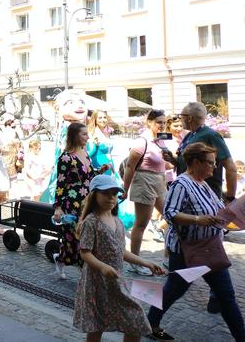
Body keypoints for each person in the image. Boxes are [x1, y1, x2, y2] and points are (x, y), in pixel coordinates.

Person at [147, 143, 245, 342]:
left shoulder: (204, 184)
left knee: (226, 295)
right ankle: (150, 322)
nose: (214, 167)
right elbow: (170, 213)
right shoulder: (181, 184)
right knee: (175, 289)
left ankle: (242, 339)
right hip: (186, 251)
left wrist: (240, 216)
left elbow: (218, 211)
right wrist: (197, 220)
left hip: (210, 249)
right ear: (195, 162)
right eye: (210, 163)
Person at [162, 102, 239, 313]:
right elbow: (186, 166)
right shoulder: (190, 136)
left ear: (191, 117)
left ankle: (219, 296)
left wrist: (230, 198)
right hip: (189, 195)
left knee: (206, 256)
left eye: (182, 116)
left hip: (206, 196)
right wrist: (174, 159)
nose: (180, 119)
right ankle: (219, 295)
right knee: (180, 280)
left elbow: (230, 168)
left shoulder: (211, 135)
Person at [74, 174, 165, 342]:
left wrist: (146, 262)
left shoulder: (118, 222)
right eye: (106, 193)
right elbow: (85, 252)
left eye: (114, 194)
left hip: (116, 282)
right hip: (96, 283)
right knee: (96, 325)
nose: (111, 197)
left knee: (135, 320)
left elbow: (121, 252)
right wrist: (102, 267)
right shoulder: (90, 222)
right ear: (94, 195)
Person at [53, 122, 109, 279]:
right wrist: (58, 207)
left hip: (88, 201)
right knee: (74, 237)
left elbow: (88, 176)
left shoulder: (85, 153)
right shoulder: (65, 157)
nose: (88, 136)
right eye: (84, 134)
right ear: (74, 136)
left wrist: (99, 171)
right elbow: (60, 183)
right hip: (72, 203)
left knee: (87, 235)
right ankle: (76, 266)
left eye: (87, 133)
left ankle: (69, 261)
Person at [122, 109, 172, 275]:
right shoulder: (142, 140)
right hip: (144, 181)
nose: (162, 125)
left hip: (159, 181)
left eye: (164, 122)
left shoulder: (161, 140)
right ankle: (134, 261)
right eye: (159, 122)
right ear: (149, 122)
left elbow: (166, 164)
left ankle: (168, 258)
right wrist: (125, 189)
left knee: (170, 217)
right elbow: (130, 166)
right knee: (141, 224)